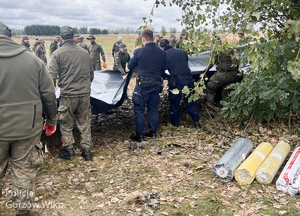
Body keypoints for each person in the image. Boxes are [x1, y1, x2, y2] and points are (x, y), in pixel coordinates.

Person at [0, 22, 57, 216]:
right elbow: (49, 94)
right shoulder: (32, 59)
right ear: (10, 36)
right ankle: (23, 212)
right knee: (23, 170)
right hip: (27, 127)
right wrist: (52, 121)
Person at [48, 26, 94, 161]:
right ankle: (87, 151)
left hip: (68, 95)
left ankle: (69, 150)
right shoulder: (85, 53)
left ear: (61, 38)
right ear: (74, 36)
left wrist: (51, 94)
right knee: (85, 122)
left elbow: (51, 76)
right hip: (84, 94)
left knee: (66, 123)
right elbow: (91, 75)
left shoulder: (57, 53)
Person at [128, 28, 167, 142]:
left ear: (143, 39)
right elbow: (164, 68)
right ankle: (153, 132)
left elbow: (130, 66)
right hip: (156, 83)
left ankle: (140, 134)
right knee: (153, 107)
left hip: (143, 84)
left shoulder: (139, 52)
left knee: (139, 108)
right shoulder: (162, 52)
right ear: (154, 38)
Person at [159, 39, 200, 128]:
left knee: (174, 102)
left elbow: (162, 70)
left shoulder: (164, 55)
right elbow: (185, 62)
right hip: (188, 77)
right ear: (170, 44)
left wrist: (168, 77)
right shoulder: (181, 51)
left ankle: (175, 123)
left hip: (176, 80)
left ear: (162, 48)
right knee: (190, 100)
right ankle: (196, 122)